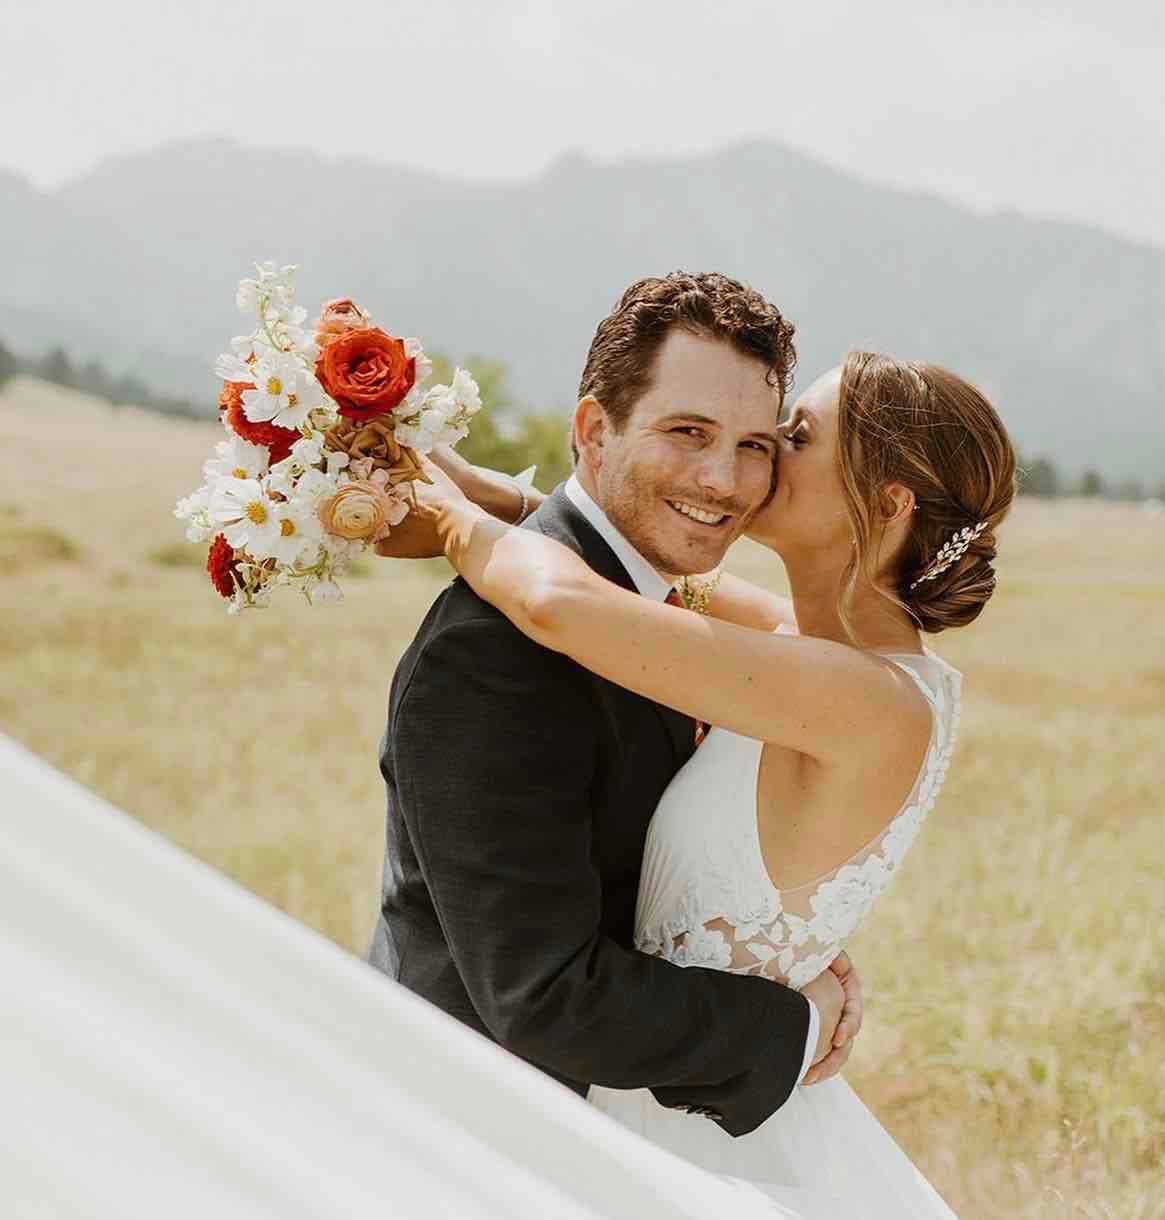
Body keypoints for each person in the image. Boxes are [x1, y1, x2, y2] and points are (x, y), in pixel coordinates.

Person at [377, 337, 1016, 1215]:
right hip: (674, 1080)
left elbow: (566, 604)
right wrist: (516, 494)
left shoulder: (852, 693)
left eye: (793, 438)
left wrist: (449, 522)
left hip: (674, 1116)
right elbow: (654, 582)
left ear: (887, 501)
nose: (752, 462)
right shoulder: (821, 650)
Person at [367, 273, 862, 1145]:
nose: (723, 480)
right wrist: (794, 1021)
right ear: (594, 432)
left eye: (754, 445)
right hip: (480, 1144)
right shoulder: (493, 654)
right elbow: (545, 995)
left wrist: (767, 947)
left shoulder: (651, 607)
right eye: (688, 433)